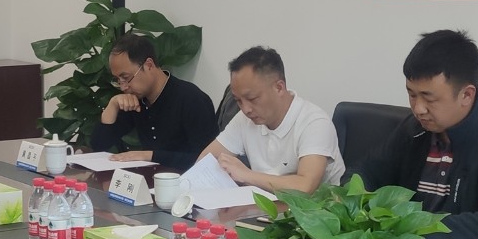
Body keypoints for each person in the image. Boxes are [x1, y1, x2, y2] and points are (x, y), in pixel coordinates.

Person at [360, 30, 478, 239]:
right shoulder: (414, 129)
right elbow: (366, 172)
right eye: (412, 94)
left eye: (429, 98)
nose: (418, 108)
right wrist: (354, 199)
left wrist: (409, 225)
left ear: (466, 95)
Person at [199, 46, 345, 192]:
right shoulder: (244, 119)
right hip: (264, 202)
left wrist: (246, 175)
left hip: (315, 205)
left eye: (252, 98)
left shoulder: (315, 123)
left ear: (279, 88)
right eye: (238, 100)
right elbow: (204, 162)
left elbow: (305, 187)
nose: (245, 109)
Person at [89, 33, 218, 171]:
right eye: (117, 80)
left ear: (149, 65)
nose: (123, 87)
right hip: (149, 178)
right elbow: (99, 145)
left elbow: (207, 159)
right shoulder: (136, 99)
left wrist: (150, 156)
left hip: (186, 180)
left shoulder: (191, 99)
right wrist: (113, 105)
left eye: (126, 78)